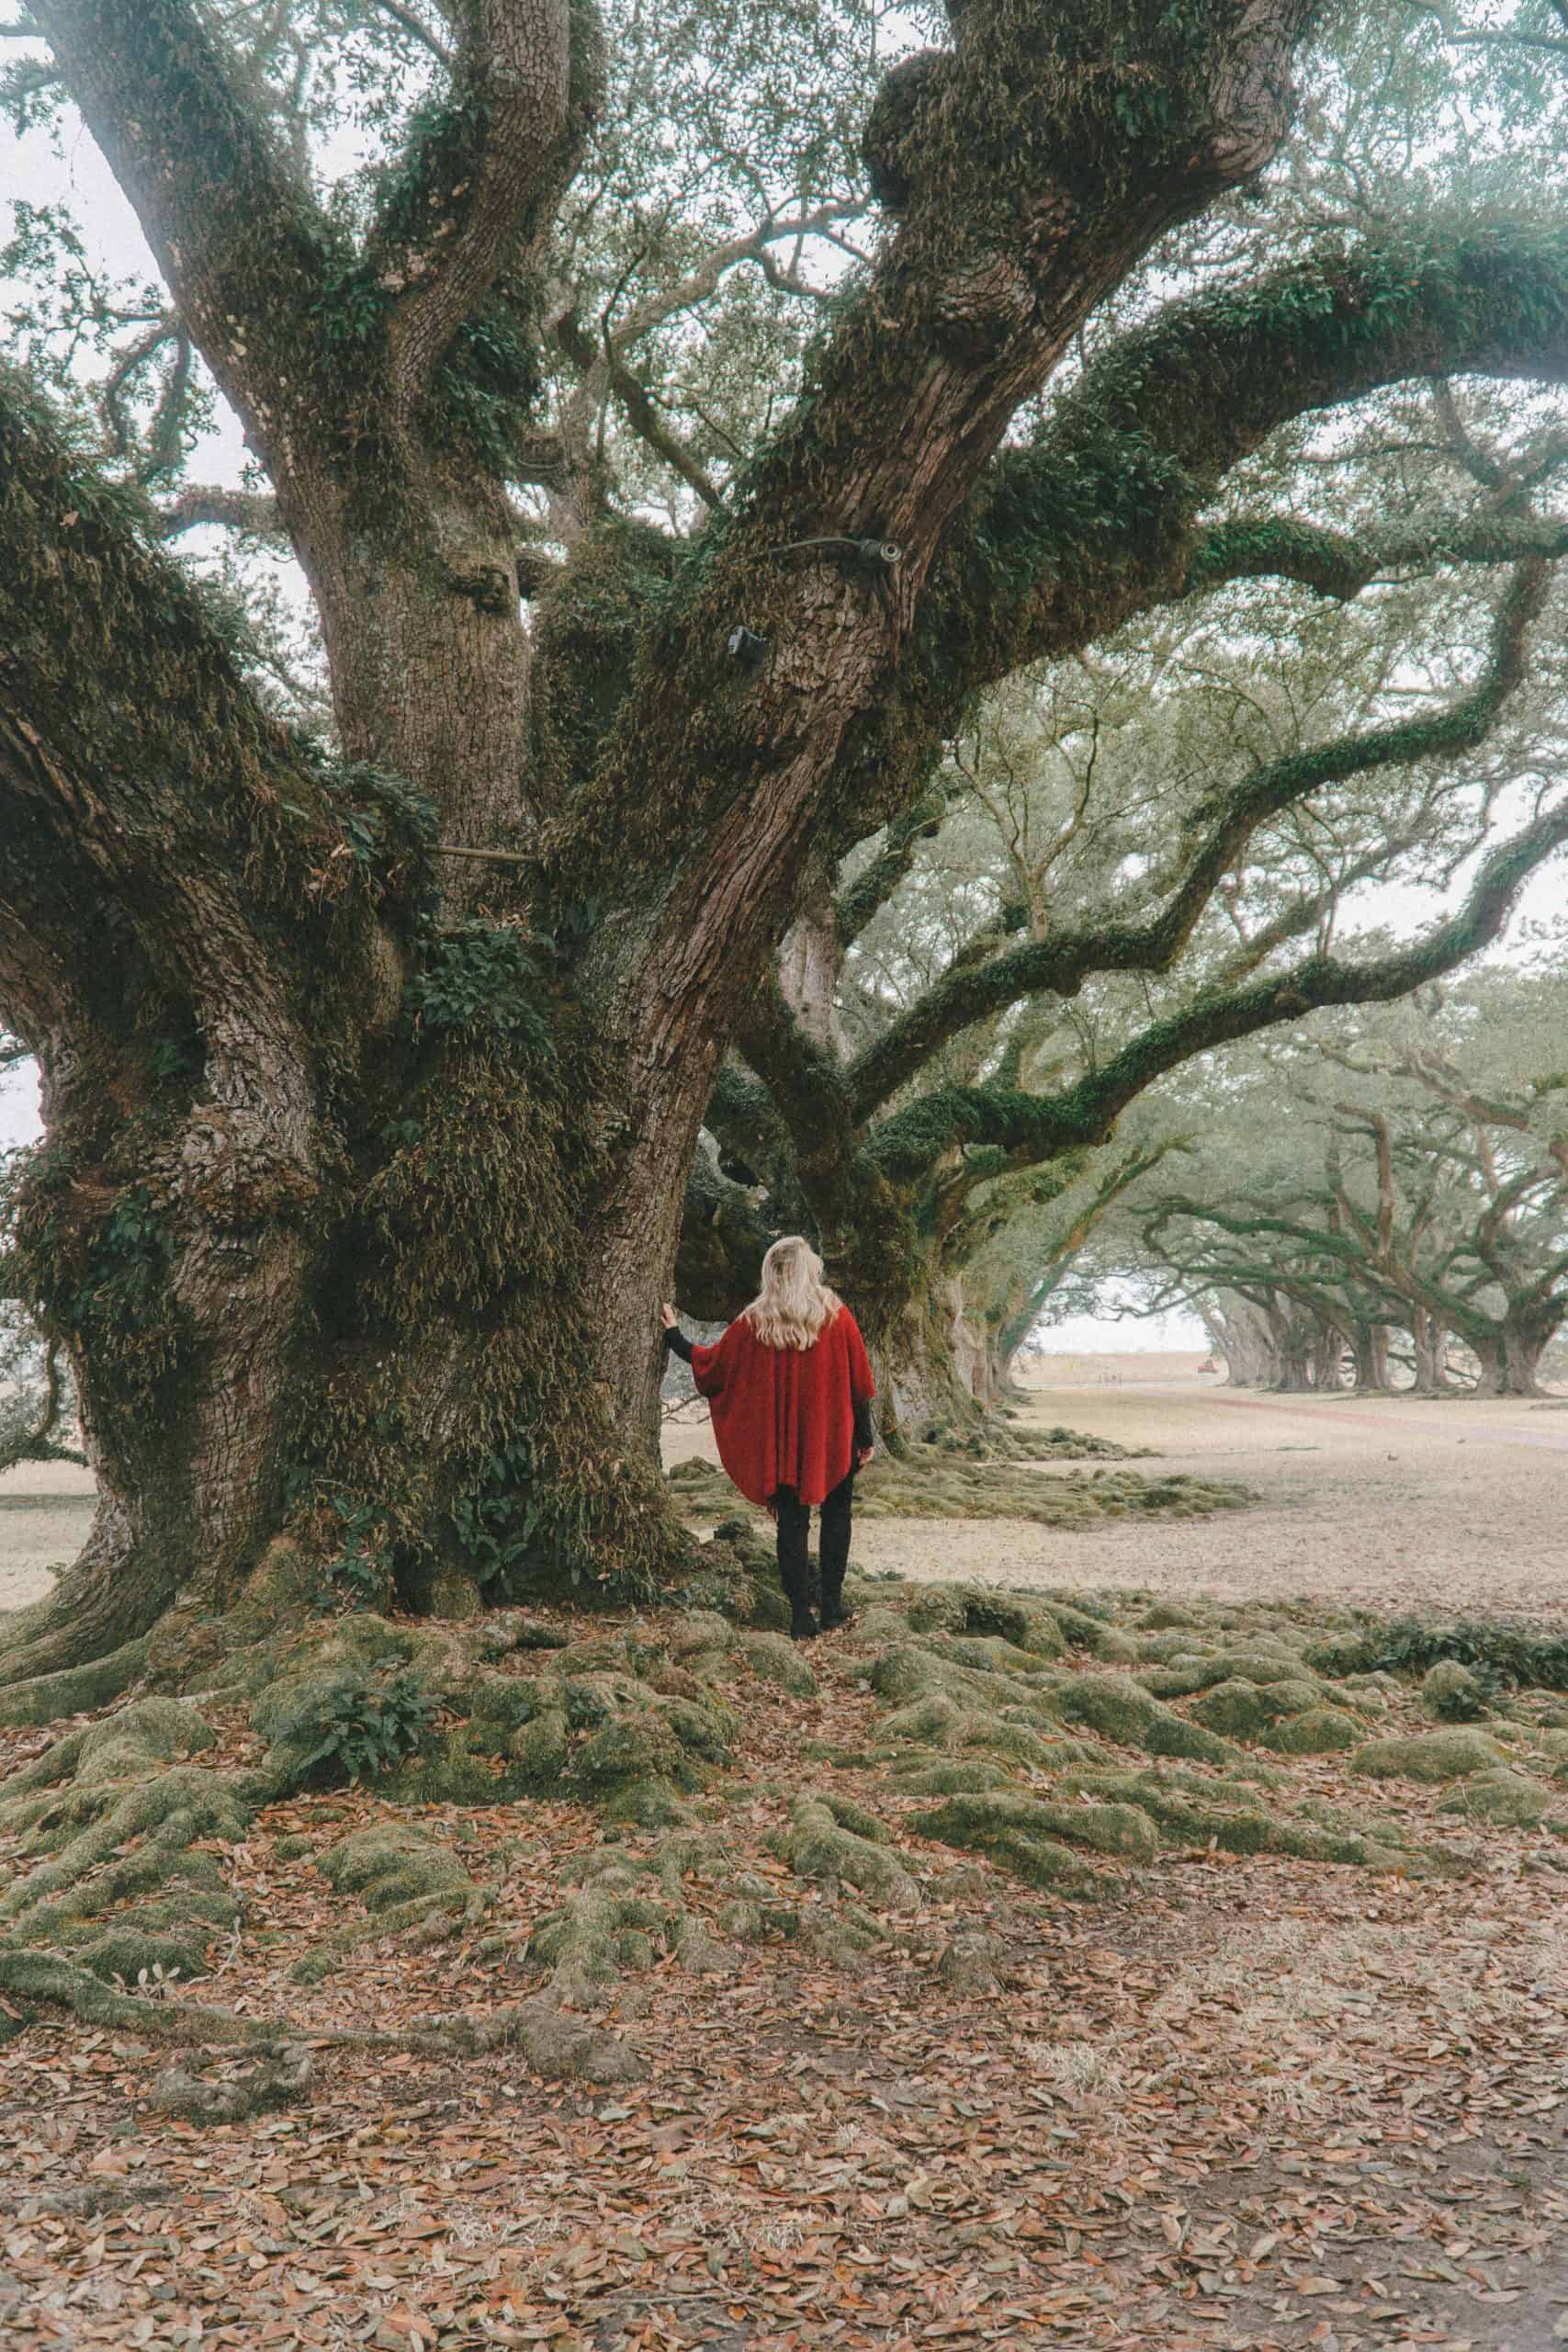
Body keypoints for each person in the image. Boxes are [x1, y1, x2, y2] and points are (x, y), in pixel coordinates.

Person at [661, 1236, 876, 1641]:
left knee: (792, 1524)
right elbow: (859, 1386)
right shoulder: (835, 1314)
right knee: (837, 1516)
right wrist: (865, 1438)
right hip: (833, 1438)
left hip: (783, 1447)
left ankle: (800, 1617)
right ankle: (831, 1606)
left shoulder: (755, 1321)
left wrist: (675, 1338)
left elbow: (714, 1366)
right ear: (809, 1270)